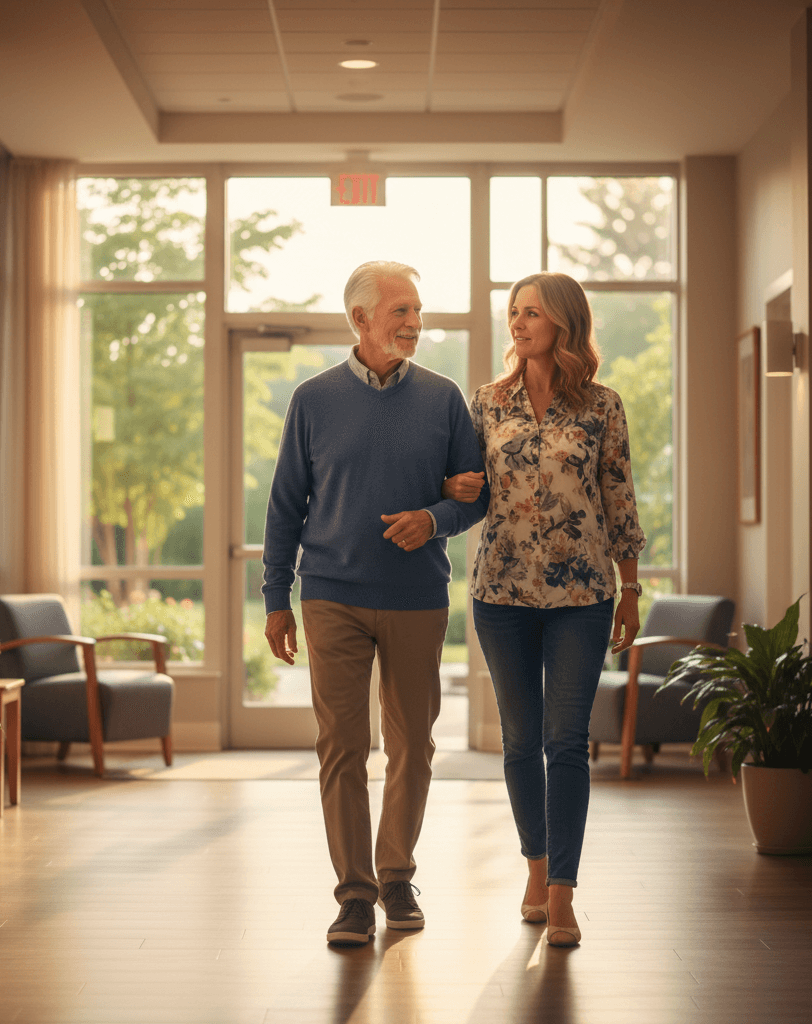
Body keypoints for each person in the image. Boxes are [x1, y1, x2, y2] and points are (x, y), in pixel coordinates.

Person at [262, 260, 490, 946]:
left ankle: (396, 875)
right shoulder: (312, 399)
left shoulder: (445, 398)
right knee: (342, 746)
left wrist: (434, 520)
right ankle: (355, 894)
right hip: (331, 595)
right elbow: (284, 506)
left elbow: (471, 494)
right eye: (400, 312)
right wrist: (276, 597)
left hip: (418, 595)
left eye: (417, 311)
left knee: (414, 744)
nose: (415, 324)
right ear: (360, 320)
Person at [443, 271, 645, 947]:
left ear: (563, 322)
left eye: (532, 312)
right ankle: (534, 866)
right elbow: (467, 492)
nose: (519, 323)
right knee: (521, 743)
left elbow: (619, 496)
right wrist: (453, 488)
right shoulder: (487, 403)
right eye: (513, 311)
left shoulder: (602, 407)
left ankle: (562, 892)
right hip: (500, 591)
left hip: (582, 595)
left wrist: (633, 586)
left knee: (566, 743)